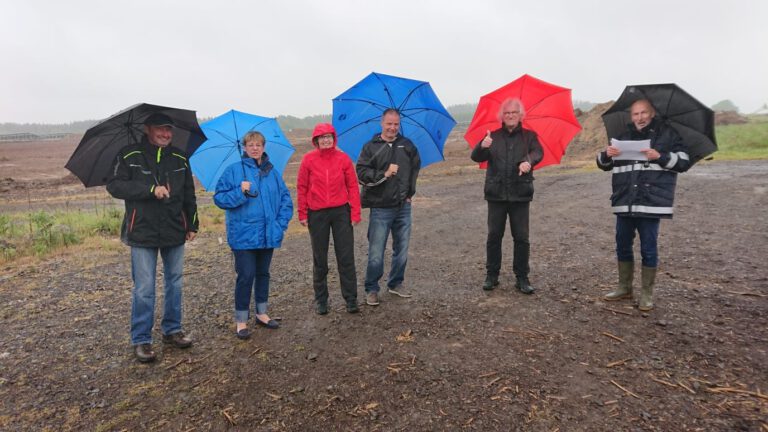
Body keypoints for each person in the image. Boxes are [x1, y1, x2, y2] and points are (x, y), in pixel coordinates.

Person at [106, 112, 198, 363]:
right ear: (148, 129)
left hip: (173, 229)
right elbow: (114, 185)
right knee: (144, 288)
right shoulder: (129, 155)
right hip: (142, 231)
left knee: (175, 283)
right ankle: (141, 339)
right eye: (160, 129)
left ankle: (172, 330)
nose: (166, 134)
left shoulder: (179, 157)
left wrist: (192, 223)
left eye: (169, 129)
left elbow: (189, 193)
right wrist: (149, 189)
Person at [596, 98, 690, 311]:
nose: (639, 117)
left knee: (648, 248)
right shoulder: (622, 136)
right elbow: (603, 165)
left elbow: (685, 160)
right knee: (622, 244)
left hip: (651, 202)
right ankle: (624, 287)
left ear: (652, 113)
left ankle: (646, 293)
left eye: (643, 113)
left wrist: (660, 156)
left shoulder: (668, 134)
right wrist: (606, 155)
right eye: (635, 114)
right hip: (625, 201)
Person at [214, 131, 293, 339]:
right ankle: (241, 320)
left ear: (263, 147)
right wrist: (239, 192)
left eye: (258, 144)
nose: (255, 148)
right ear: (245, 148)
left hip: (268, 234)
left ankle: (262, 313)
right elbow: (220, 199)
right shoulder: (233, 171)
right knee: (246, 275)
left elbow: (285, 199)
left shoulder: (272, 173)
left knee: (263, 274)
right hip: (243, 236)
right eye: (251, 144)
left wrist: (280, 225)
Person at [471, 98, 543, 294]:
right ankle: (491, 275)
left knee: (521, 238)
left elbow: (538, 152)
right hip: (496, 194)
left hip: (520, 194)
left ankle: (522, 277)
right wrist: (482, 145)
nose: (510, 116)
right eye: (507, 113)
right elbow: (476, 157)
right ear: (501, 116)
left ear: (521, 115)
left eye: (514, 112)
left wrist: (528, 161)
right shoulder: (492, 137)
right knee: (494, 236)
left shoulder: (529, 137)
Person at [356, 109, 421, 306]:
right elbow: (361, 172)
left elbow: (414, 169)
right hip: (381, 207)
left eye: (396, 124)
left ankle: (395, 283)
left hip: (403, 207)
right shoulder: (371, 147)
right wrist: (384, 173)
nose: (393, 128)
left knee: (401, 249)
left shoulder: (407, 145)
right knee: (376, 251)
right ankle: (372, 288)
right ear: (381, 123)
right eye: (389, 124)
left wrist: (410, 194)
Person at [297, 123, 362, 315]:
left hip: (341, 212)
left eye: (329, 136)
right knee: (320, 259)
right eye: (322, 137)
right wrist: (302, 213)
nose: (326, 140)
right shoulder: (308, 160)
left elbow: (352, 186)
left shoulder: (343, 159)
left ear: (334, 138)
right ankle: (321, 300)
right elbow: (302, 187)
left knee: (346, 257)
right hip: (317, 213)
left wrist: (355, 212)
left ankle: (351, 299)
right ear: (316, 140)